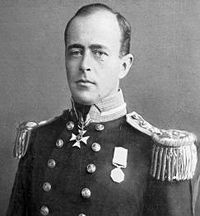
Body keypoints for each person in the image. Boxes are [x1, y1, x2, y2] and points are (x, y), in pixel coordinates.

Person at [6, 3, 200, 216]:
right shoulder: (40, 139)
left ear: (124, 66)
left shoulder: (157, 152)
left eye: (99, 53)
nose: (84, 65)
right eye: (76, 51)